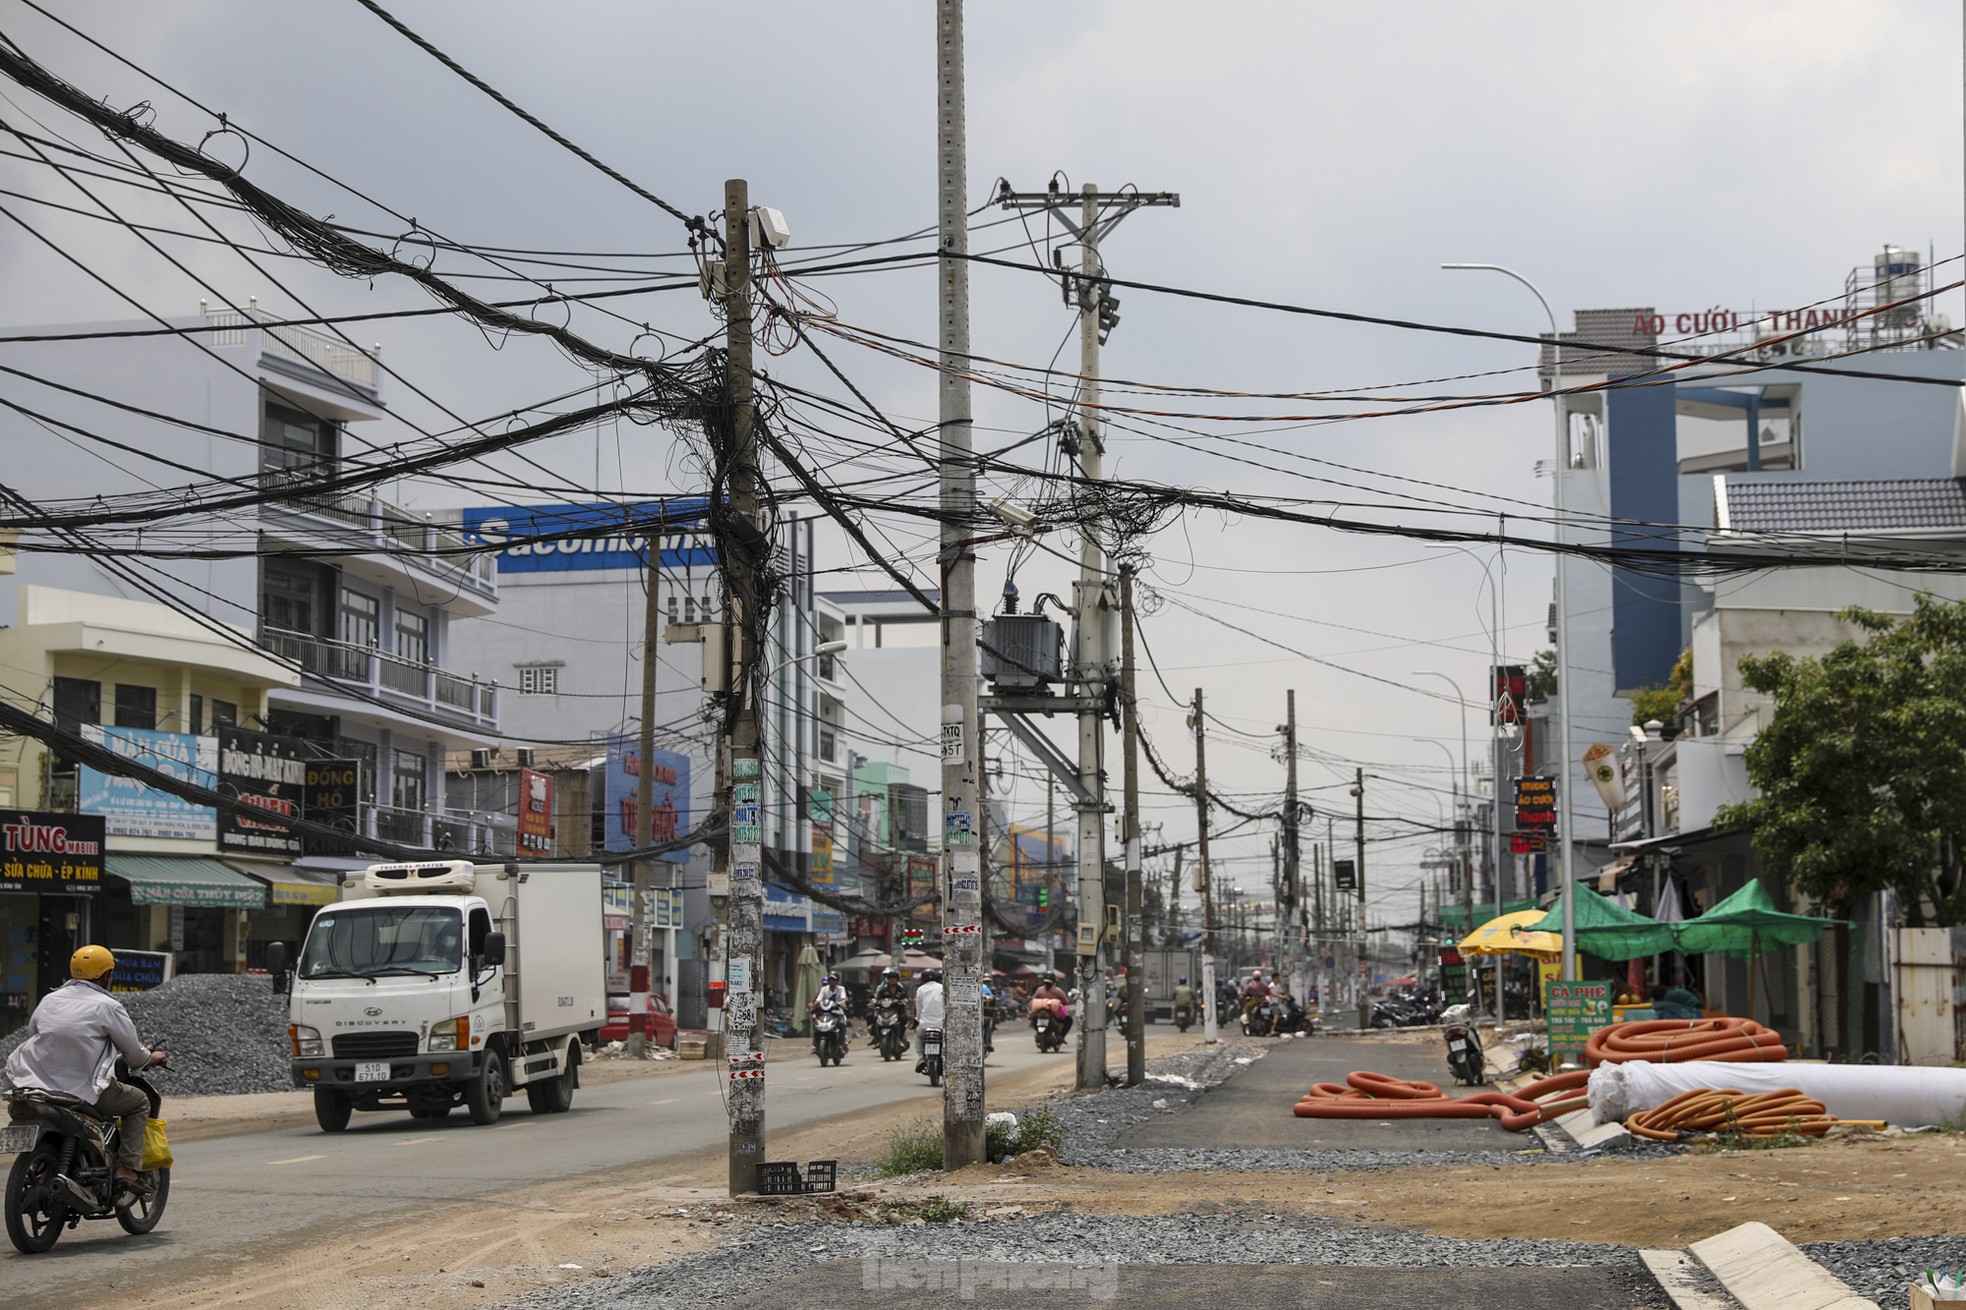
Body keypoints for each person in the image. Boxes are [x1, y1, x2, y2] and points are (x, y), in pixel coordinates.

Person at [1, 946, 167, 1205]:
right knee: (138, 1102)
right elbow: (134, 1055)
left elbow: (34, 1033)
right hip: (81, 1090)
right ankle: (127, 1169)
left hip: (32, 1084)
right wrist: (152, 1057)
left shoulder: (49, 1000)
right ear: (106, 975)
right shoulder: (108, 1006)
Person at [911, 969, 945, 1072]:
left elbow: (919, 1008)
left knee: (918, 1035)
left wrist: (918, 1019)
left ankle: (921, 1056)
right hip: (942, 1024)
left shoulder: (921, 989)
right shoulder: (943, 988)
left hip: (925, 1025)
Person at [867, 966, 907, 1046]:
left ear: (897, 979)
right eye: (890, 978)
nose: (892, 980)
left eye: (894, 978)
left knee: (904, 1018)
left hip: (897, 1010)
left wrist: (903, 1001)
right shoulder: (882, 989)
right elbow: (877, 998)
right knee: (873, 1018)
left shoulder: (901, 989)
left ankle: (900, 1038)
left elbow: (905, 998)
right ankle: (877, 1038)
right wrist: (874, 1002)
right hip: (884, 1010)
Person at [1030, 972, 1072, 1039]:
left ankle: (1060, 1036)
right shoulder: (1057, 990)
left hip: (1049, 1013)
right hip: (1049, 1013)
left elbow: (1034, 998)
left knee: (1032, 1018)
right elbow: (1065, 1001)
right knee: (1069, 1020)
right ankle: (1061, 1036)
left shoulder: (1039, 989)